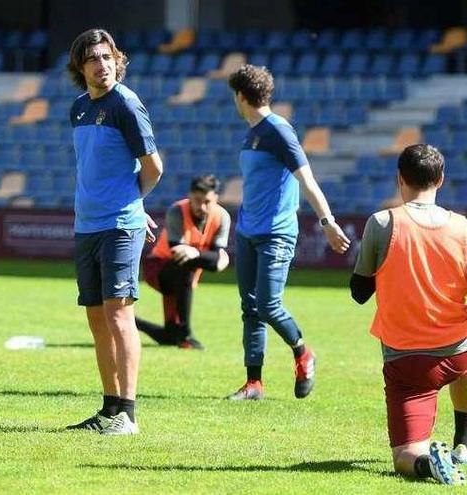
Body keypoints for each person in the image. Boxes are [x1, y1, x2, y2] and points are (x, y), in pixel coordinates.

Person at [226, 64, 350, 401]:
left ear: (241, 96)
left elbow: (307, 180)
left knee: (267, 304)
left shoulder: (279, 131)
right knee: (250, 307)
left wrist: (327, 222)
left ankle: (302, 352)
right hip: (247, 230)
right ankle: (254, 384)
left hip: (275, 233)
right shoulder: (251, 133)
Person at [64, 28, 163, 435]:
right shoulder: (79, 109)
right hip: (86, 226)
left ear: (116, 60)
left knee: (120, 315)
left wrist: (133, 205)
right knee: (96, 318)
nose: (102, 65)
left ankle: (128, 414)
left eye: (107, 57)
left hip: (119, 225)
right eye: (93, 59)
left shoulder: (127, 104)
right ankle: (108, 408)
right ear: (80, 66)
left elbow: (154, 167)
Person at [351, 144, 467, 485]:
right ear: (441, 179)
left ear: (399, 178)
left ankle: (427, 466)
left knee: (405, 453)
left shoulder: (382, 222)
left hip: (407, 360)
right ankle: (463, 442)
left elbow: (359, 293)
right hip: (457, 354)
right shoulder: (463, 227)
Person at [137, 175, 231, 350]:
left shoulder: (222, 217)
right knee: (186, 263)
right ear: (189, 195)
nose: (201, 207)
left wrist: (198, 253)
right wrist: (213, 259)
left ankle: (131, 321)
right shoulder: (177, 211)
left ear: (216, 199)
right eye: (197, 200)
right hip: (158, 268)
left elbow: (214, 258)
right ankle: (186, 333)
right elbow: (179, 252)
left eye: (207, 202)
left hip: (184, 280)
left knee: (170, 336)